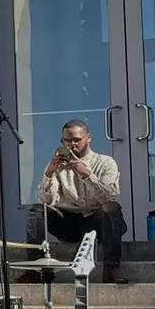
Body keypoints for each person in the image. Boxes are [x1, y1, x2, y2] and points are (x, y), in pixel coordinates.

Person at [30, 118, 125, 283]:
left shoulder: (105, 163)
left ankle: (111, 269)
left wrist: (86, 174)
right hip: (69, 222)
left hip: (97, 221)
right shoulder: (55, 165)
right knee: (37, 209)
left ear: (88, 138)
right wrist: (50, 173)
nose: (72, 145)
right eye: (67, 141)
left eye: (77, 140)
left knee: (111, 207)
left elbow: (108, 196)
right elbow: (47, 200)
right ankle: (34, 269)